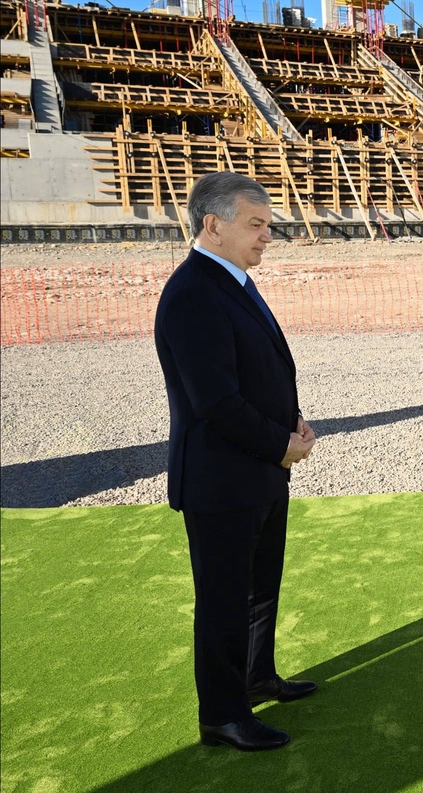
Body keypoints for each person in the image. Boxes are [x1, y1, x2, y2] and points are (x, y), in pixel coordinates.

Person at [154, 171, 318, 751]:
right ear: (214, 225)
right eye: (257, 224)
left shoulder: (232, 280)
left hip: (260, 471)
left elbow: (256, 371)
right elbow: (216, 402)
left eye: (268, 225)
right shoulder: (194, 293)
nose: (268, 235)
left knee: (260, 589)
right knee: (224, 601)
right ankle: (223, 715)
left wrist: (292, 421)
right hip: (221, 479)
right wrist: (281, 444)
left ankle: (255, 677)